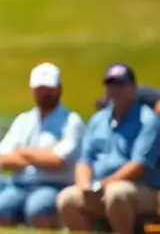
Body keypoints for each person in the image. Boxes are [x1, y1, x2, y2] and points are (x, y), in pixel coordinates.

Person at [57, 63, 160, 233]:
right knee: (66, 199)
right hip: (100, 187)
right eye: (110, 85)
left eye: (121, 84)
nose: (115, 90)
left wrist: (102, 185)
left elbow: (138, 165)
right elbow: (85, 159)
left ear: (133, 88)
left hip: (141, 189)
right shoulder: (98, 119)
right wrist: (85, 186)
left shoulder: (148, 120)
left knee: (115, 194)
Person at [0, 62, 85, 229]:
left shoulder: (72, 121)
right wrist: (41, 157)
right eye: (40, 89)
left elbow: (58, 161)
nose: (44, 93)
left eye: (49, 88)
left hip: (55, 185)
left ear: (59, 89)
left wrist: (22, 153)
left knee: (38, 208)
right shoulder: (24, 120)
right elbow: (3, 160)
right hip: (20, 184)